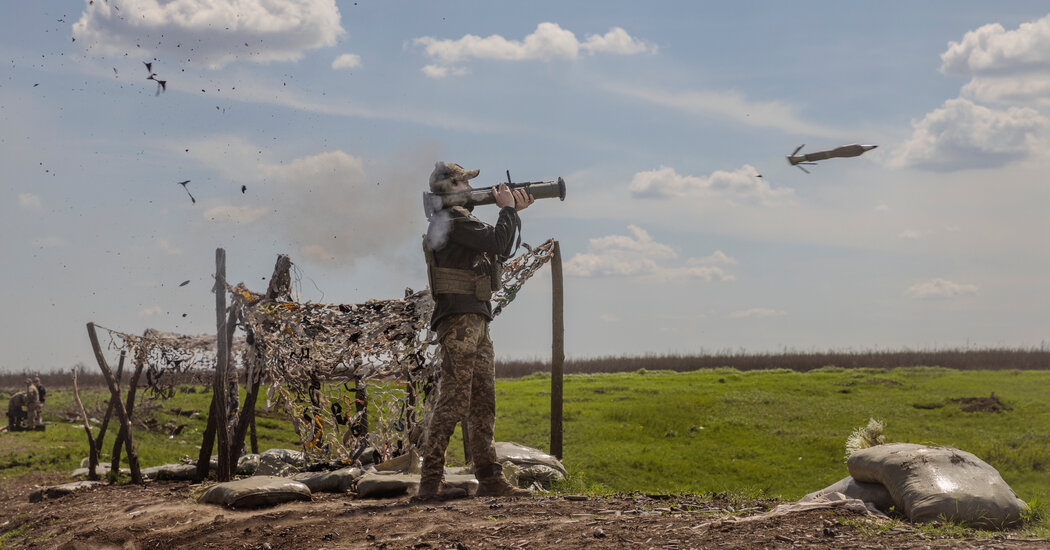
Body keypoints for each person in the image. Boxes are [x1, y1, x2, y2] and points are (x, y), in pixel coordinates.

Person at [417, 161, 535, 501]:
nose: (470, 189)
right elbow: (499, 242)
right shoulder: (450, 221)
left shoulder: (458, 221)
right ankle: (430, 482)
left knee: (483, 401)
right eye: (465, 183)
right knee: (454, 400)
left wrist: (513, 212)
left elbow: (499, 243)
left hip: (475, 318)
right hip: (460, 321)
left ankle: (489, 479)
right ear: (451, 186)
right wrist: (508, 210)